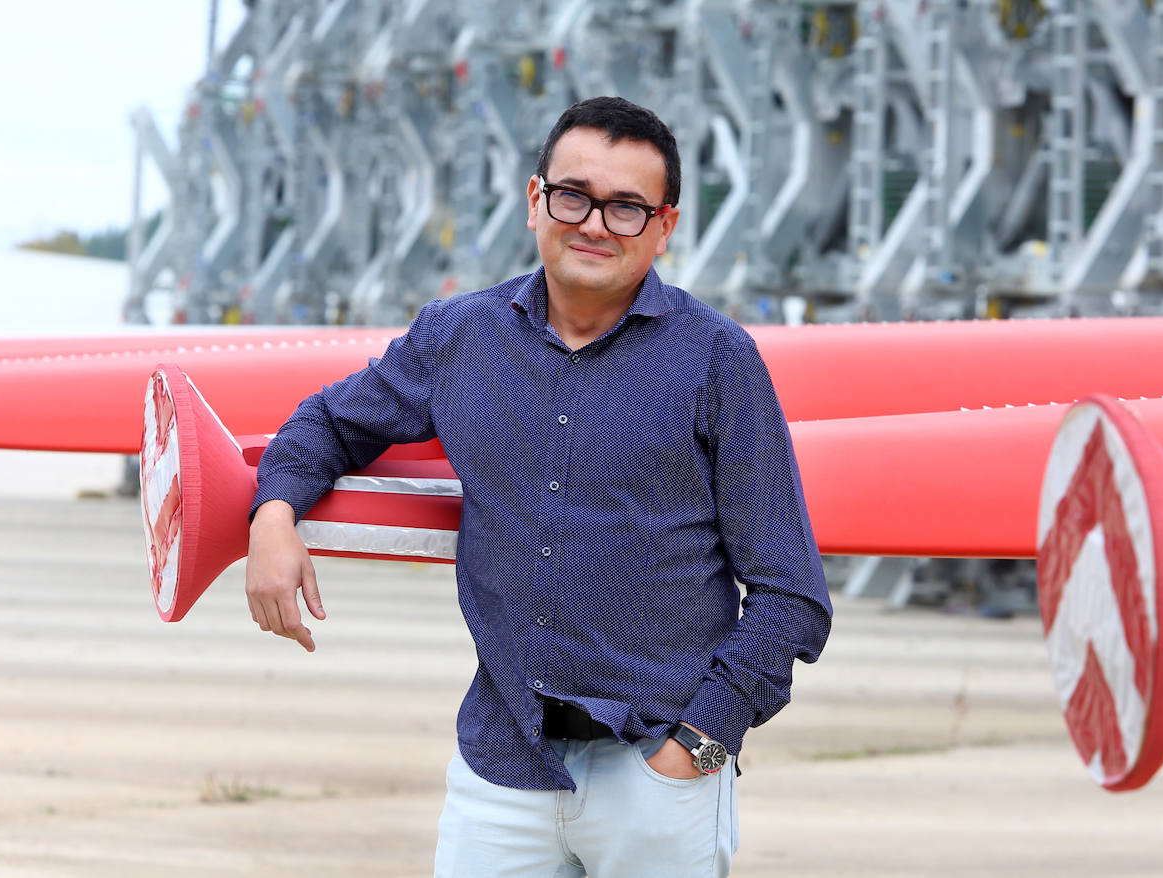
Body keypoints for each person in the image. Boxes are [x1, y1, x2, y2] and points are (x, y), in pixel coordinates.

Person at [245, 96, 832, 877]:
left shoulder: (719, 364)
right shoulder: (458, 336)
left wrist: (699, 744)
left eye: (626, 208)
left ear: (665, 227)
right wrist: (273, 515)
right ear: (534, 202)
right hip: (502, 768)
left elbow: (791, 593)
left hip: (657, 776)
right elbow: (329, 422)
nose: (593, 223)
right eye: (573, 196)